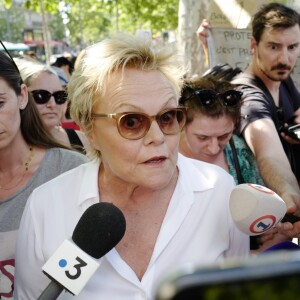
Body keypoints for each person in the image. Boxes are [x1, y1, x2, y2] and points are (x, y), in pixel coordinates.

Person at [14, 33, 249, 299]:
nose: (157, 137)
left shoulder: (219, 191)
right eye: (132, 122)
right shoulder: (46, 207)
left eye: (168, 117)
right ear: (89, 130)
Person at [197, 3, 300, 231]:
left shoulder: (282, 80)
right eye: (273, 47)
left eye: (292, 47)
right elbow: (269, 154)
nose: (284, 58)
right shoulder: (246, 96)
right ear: (254, 45)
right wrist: (290, 194)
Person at [0, 47, 88, 299]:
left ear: (22, 96)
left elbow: (88, 271)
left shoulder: (70, 170)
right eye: (44, 96)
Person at [179, 76, 264, 186]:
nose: (214, 149)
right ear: (181, 124)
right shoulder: (164, 160)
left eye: (224, 136)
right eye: (202, 138)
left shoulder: (241, 154)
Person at [16, 58, 89, 154]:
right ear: (22, 96)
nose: (52, 104)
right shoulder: (8, 148)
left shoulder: (84, 142)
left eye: (59, 96)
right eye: (41, 96)